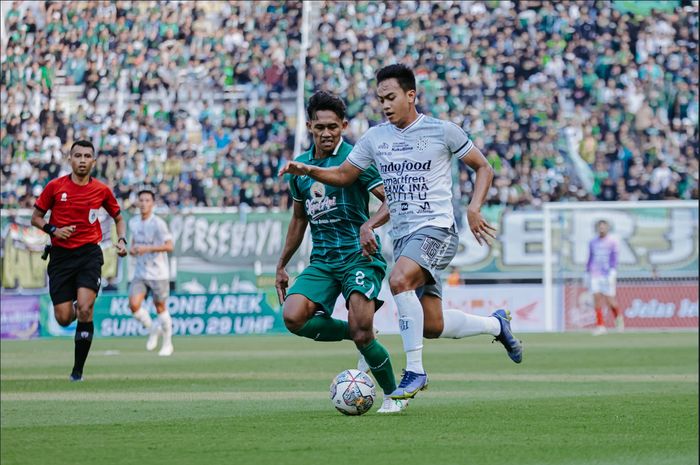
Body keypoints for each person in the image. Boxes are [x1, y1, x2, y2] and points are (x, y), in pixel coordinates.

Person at [279, 64, 523, 400]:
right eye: (380, 99)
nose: (385, 105)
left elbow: (483, 166)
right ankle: (496, 325)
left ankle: (416, 372)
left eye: (391, 97)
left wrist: (474, 207)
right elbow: (342, 175)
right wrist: (307, 168)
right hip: (406, 238)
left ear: (411, 95)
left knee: (398, 280)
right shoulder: (376, 138)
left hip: (438, 230)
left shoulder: (442, 131)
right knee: (432, 325)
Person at [276, 91, 406, 413]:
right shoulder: (301, 168)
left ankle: (394, 395)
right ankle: (359, 333)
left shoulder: (357, 159)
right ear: (309, 126)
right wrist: (281, 264)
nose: (326, 133)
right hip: (322, 260)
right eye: (319, 127)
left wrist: (369, 226)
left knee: (363, 333)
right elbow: (298, 219)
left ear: (343, 125)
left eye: (333, 127)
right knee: (292, 316)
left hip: (358, 256)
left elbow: (391, 200)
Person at [31, 140, 127, 381]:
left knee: (85, 308)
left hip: (89, 254)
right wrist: (54, 230)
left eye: (87, 156)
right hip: (61, 257)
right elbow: (36, 217)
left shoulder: (102, 190)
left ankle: (77, 371)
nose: (82, 160)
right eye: (78, 156)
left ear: (94, 161)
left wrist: (122, 240)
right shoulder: (55, 187)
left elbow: (118, 217)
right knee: (63, 318)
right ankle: (84, 301)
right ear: (70, 159)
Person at [127, 188, 175, 356]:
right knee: (133, 305)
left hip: (159, 273)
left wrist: (148, 249)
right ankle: (152, 328)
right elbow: (133, 244)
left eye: (148, 200)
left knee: (160, 307)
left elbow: (169, 246)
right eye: (142, 200)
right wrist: (132, 250)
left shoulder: (158, 224)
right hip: (141, 272)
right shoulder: (133, 222)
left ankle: (168, 343)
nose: (144, 203)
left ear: (153, 204)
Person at [586, 219, 622, 335]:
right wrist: (587, 271)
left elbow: (614, 257)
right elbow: (591, 257)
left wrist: (612, 270)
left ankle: (619, 319)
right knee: (596, 297)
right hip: (595, 273)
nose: (602, 229)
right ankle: (600, 326)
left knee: (609, 299)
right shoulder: (592, 242)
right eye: (600, 227)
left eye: (603, 227)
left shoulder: (613, 241)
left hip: (607, 274)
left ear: (607, 228)